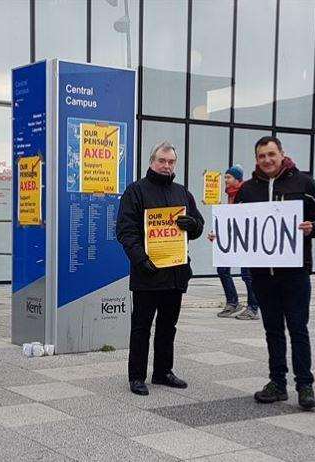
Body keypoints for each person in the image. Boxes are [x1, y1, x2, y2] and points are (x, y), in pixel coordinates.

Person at [235, 136, 315, 410]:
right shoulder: (248, 189)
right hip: (263, 274)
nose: (267, 160)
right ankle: (277, 382)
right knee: (272, 329)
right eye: (261, 155)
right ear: (256, 159)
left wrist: (314, 227)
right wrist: (224, 237)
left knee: (298, 329)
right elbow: (238, 225)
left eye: (271, 154)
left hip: (295, 272)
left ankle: (305, 385)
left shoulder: (303, 183)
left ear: (282, 154)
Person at [116, 141, 204, 396]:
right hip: (147, 272)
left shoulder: (182, 192)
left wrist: (193, 225)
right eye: (162, 161)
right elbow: (125, 230)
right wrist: (140, 259)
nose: (166, 166)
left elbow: (198, 224)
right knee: (141, 327)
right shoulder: (136, 191)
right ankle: (136, 376)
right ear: (152, 162)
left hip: (175, 272)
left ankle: (163, 371)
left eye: (171, 162)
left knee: (168, 325)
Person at [207, 165, 260, 320]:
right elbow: (228, 220)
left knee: (247, 274)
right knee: (222, 269)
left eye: (228, 177)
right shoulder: (229, 196)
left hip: (246, 240)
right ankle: (233, 302)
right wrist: (217, 233)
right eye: (225, 177)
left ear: (237, 179)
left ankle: (253, 308)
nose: (225, 180)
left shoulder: (248, 194)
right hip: (231, 239)